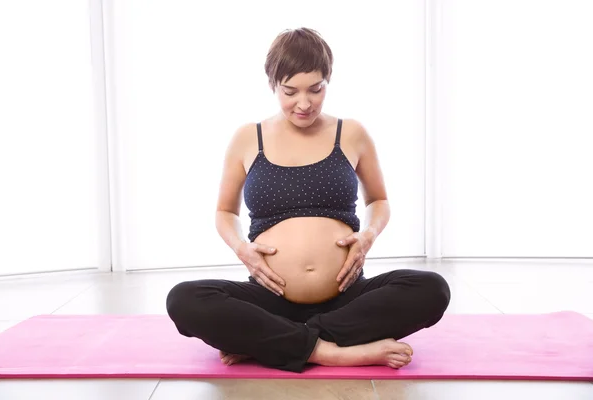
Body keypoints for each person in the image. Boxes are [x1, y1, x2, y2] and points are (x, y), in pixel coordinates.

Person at [166, 27, 451, 373]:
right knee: (184, 299)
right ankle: (332, 351)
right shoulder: (247, 138)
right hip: (268, 298)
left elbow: (379, 201)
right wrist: (241, 248)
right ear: (273, 84)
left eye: (316, 90)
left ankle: (270, 342)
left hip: (346, 298)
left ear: (327, 81)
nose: (304, 103)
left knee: (431, 289)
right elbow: (225, 211)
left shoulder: (352, 133)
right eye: (290, 92)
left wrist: (368, 236)